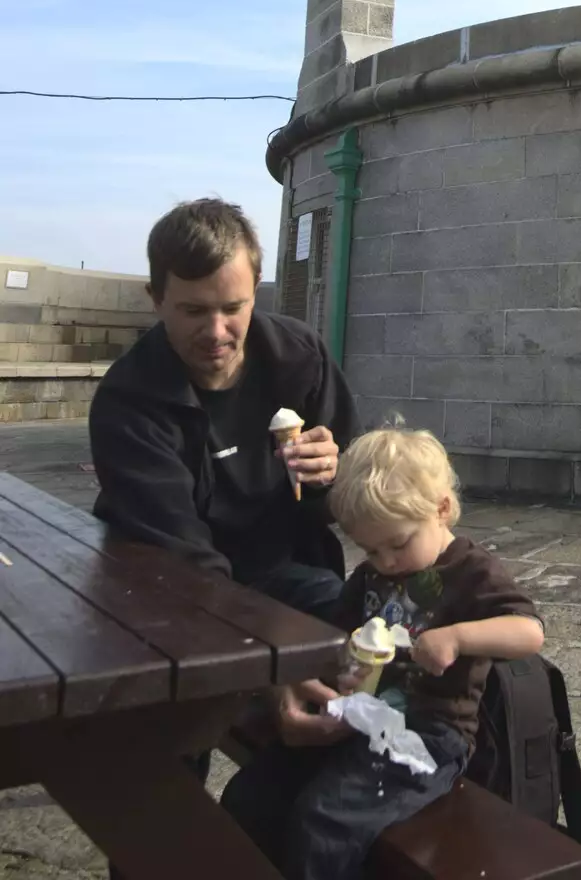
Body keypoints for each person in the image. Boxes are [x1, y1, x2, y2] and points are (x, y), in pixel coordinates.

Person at [220, 425, 544, 880]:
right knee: (251, 795)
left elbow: (529, 632)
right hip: (363, 721)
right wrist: (340, 672)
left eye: (398, 543)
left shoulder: (472, 571)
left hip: (431, 737)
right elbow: (335, 636)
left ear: (442, 510)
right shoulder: (370, 575)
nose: (386, 561)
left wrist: (458, 638)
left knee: (325, 822)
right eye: (371, 548)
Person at [89, 197, 358, 619]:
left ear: (256, 289)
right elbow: (179, 552)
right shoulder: (128, 399)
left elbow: (351, 498)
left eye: (233, 308)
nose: (216, 332)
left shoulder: (300, 357)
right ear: (155, 299)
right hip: (167, 587)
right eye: (194, 310)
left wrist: (333, 475)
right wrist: (269, 666)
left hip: (289, 572)